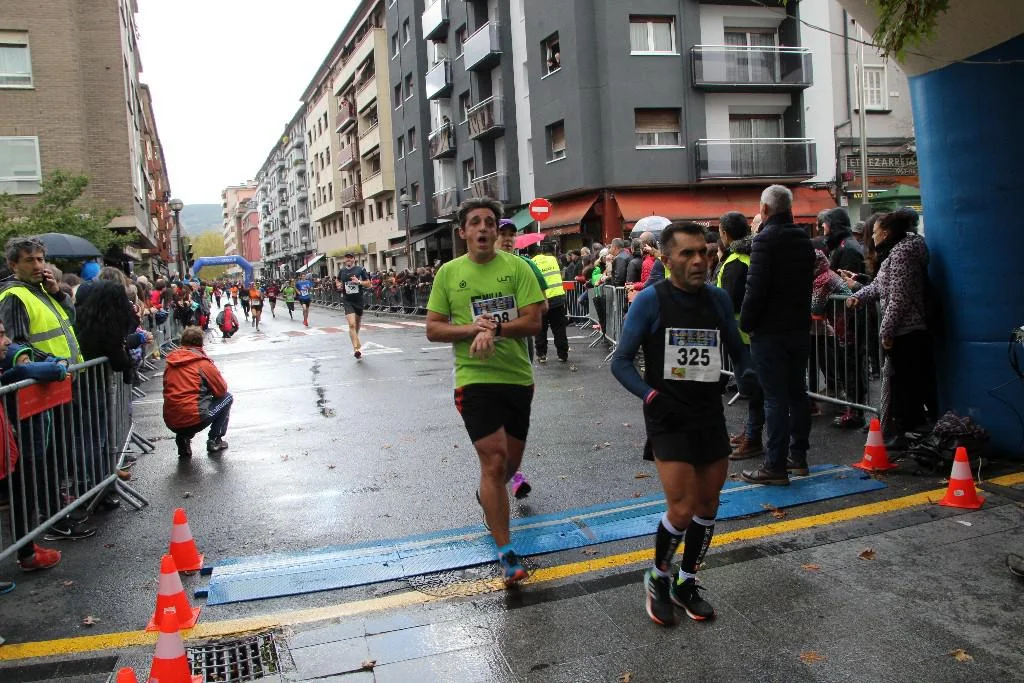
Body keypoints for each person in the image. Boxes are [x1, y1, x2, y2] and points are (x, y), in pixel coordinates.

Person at [610, 222, 754, 626]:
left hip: (708, 413)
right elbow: (621, 362)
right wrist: (651, 396)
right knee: (682, 507)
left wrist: (748, 374)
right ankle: (658, 577)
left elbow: (737, 348)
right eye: (687, 254)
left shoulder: (717, 298)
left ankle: (686, 581)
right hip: (667, 416)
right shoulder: (651, 301)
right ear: (667, 258)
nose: (698, 261)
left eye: (703, 252)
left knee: (708, 504)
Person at [426, 197, 544, 586]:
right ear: (463, 232)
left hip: (517, 379)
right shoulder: (448, 273)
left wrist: (496, 329)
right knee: (493, 463)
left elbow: (533, 321)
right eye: (475, 222)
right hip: (474, 379)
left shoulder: (517, 268)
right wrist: (473, 330)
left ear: (496, 230)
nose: (483, 228)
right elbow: (433, 328)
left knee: (508, 465)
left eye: (489, 222)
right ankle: (506, 552)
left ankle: (487, 496)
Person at [739, 185, 815, 485]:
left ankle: (774, 465)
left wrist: (746, 322)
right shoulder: (803, 239)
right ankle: (798, 457)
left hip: (770, 330)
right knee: (797, 392)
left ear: (765, 209)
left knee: (775, 398)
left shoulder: (765, 240)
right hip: (798, 327)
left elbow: (755, 288)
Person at [847, 210, 938, 446]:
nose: (872, 236)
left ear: (886, 233)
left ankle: (910, 435)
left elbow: (898, 299)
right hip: (905, 329)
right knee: (904, 385)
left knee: (907, 387)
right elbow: (880, 286)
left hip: (908, 331)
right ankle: (907, 432)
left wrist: (886, 331)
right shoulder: (896, 253)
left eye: (875, 232)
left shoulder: (901, 254)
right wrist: (859, 296)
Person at [0, 317, 71, 572]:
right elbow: (27, 371)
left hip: (17, 443)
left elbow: (41, 364)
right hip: (20, 442)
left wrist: (55, 363)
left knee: (25, 495)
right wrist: (52, 367)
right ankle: (26, 552)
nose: (7, 341)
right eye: (0, 335)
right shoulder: (12, 364)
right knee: (22, 496)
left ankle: (27, 548)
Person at [714, 212, 765, 461]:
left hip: (743, 335)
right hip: (749, 333)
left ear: (725, 233)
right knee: (755, 390)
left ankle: (753, 437)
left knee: (753, 390)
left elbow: (730, 300)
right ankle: (750, 432)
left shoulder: (736, 260)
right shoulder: (753, 253)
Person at [162, 326, 232, 458]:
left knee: (185, 405)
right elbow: (221, 390)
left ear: (182, 342)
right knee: (227, 398)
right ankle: (215, 439)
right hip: (195, 418)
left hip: (171, 420)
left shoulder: (170, 363)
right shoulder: (202, 364)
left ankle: (183, 437)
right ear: (201, 343)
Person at [497, 219, 548, 372]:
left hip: (519, 340)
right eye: (502, 234)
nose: (507, 239)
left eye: (512, 235)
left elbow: (544, 305)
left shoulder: (527, 265)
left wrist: (515, 312)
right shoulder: (479, 268)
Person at [531, 241, 570, 363]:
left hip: (541, 300)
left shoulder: (531, 263)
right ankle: (562, 354)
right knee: (559, 328)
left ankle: (541, 354)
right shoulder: (553, 259)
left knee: (541, 329)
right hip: (558, 298)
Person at [336, 253, 372, 358]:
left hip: (358, 300)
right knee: (351, 324)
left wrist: (359, 282)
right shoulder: (342, 271)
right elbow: (337, 279)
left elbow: (369, 284)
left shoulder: (360, 269)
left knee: (357, 322)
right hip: (347, 300)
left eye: (350, 258)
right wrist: (338, 284)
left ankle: (356, 339)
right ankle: (356, 349)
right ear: (344, 260)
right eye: (347, 258)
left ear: (354, 259)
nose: (348, 259)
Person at [821, 207, 865, 275]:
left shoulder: (849, 248)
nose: (823, 225)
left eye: (826, 222)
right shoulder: (840, 244)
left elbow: (846, 279)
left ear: (833, 225)